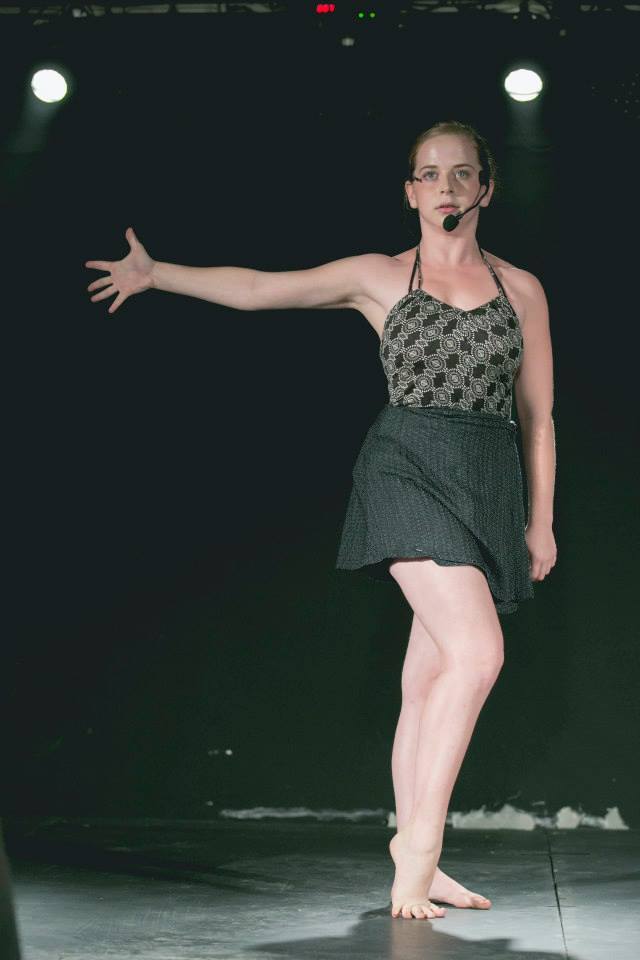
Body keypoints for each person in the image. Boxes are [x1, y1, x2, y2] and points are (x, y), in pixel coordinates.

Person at [85, 119, 557, 922]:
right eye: (429, 173)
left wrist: (541, 521)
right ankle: (419, 855)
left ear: (486, 186)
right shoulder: (379, 276)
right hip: (406, 468)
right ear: (409, 191)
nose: (445, 186)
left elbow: (539, 416)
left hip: (487, 481)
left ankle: (416, 850)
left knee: (428, 679)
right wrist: (157, 273)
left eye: (461, 172)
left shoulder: (523, 290)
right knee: (478, 654)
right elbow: (260, 288)